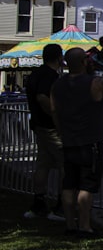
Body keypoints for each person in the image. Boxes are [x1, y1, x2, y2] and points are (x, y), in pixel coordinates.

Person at [50, 47, 103, 236]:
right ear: (84, 62)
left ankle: (70, 224)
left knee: (69, 184)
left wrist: (61, 132)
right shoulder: (96, 82)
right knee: (87, 185)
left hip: (69, 140)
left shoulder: (57, 85)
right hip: (90, 142)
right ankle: (85, 226)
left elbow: (54, 111)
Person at [23, 43, 65, 220]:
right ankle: (61, 206)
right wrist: (56, 116)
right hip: (51, 127)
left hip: (39, 125)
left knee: (44, 164)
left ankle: (38, 203)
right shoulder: (49, 76)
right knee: (65, 165)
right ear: (58, 58)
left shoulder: (35, 74)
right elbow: (42, 97)